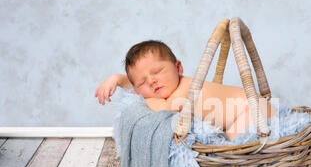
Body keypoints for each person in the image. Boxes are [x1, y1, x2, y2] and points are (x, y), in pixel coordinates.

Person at [95, 40, 275, 141]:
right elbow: (135, 85)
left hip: (252, 109)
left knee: (234, 146)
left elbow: (164, 109)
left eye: (157, 72)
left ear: (178, 68)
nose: (152, 81)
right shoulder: (164, 88)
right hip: (246, 111)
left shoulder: (185, 87)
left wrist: (145, 97)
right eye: (143, 82)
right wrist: (117, 79)